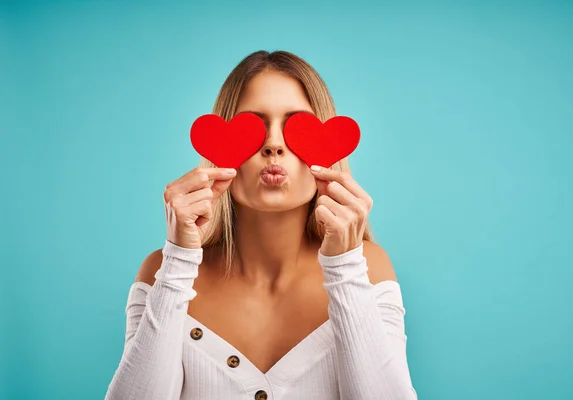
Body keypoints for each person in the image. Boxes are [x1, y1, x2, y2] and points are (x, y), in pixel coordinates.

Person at [105, 50, 418, 400]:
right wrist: (178, 259)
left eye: (295, 126)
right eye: (253, 126)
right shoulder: (160, 271)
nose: (273, 144)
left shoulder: (369, 268)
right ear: (221, 146)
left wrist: (344, 267)